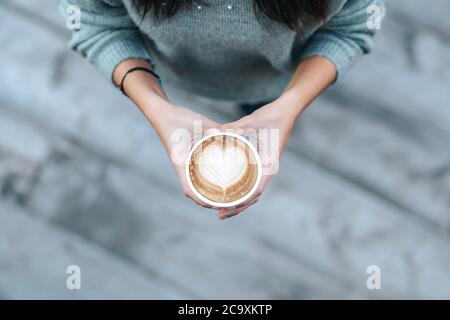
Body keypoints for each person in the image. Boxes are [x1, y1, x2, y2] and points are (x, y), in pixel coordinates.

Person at [61, 0, 385, 219]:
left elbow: (349, 28)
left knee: (258, 105)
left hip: (275, 81)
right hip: (170, 73)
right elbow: (96, 24)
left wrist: (289, 105)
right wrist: (155, 104)